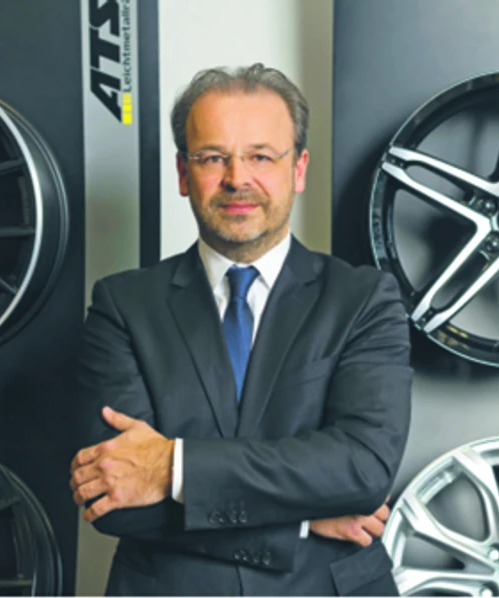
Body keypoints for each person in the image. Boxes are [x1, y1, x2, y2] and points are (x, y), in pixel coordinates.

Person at [69, 63, 412, 596]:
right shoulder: (122, 305)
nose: (237, 178)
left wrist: (173, 467)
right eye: (212, 157)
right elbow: (112, 496)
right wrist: (299, 523)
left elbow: (363, 468)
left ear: (298, 169)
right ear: (183, 173)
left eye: (261, 156)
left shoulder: (364, 299)